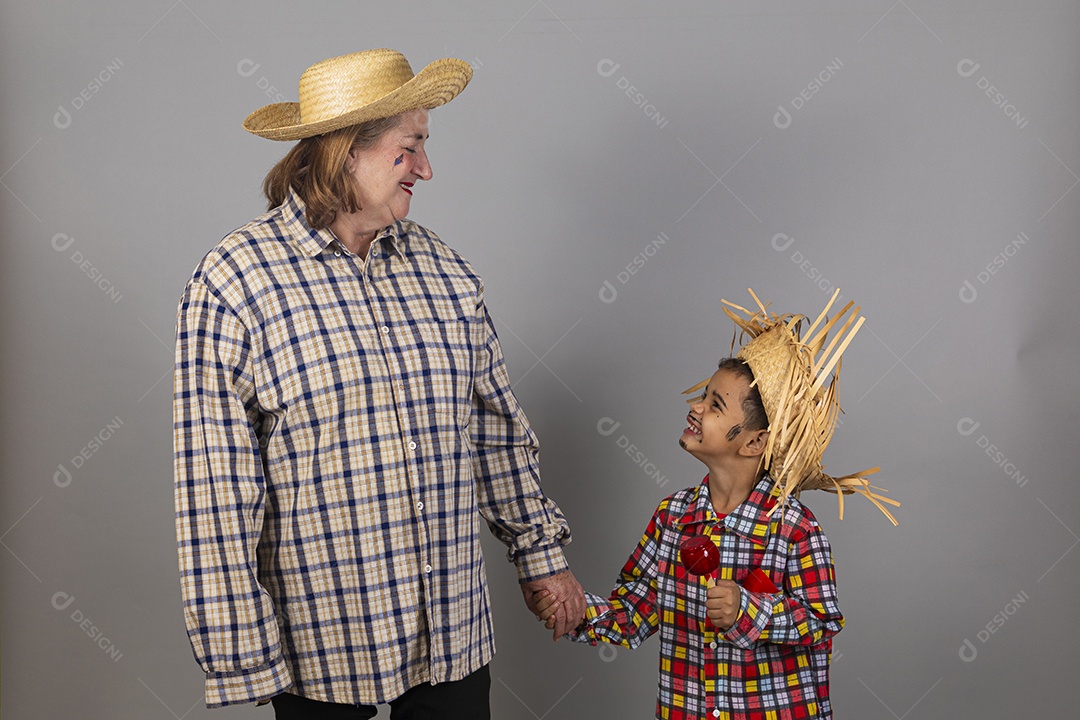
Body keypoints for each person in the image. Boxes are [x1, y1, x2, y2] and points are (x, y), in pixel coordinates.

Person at [173, 48, 585, 718]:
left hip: (451, 636)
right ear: (344, 154)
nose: (426, 168)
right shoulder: (234, 282)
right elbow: (214, 486)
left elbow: (493, 431)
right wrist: (241, 652)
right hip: (322, 649)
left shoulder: (446, 273)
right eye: (410, 147)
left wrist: (540, 555)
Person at [537, 290, 898, 720]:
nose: (695, 407)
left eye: (713, 404)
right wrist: (574, 609)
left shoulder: (795, 529)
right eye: (703, 396)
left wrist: (750, 611)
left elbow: (821, 623)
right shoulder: (672, 518)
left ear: (754, 442)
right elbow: (634, 611)